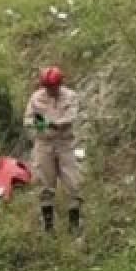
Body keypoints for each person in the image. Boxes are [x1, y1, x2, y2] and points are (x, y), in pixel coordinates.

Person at [24, 66, 82, 235]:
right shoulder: (36, 98)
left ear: (60, 83)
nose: (51, 90)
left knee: (74, 183)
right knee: (45, 184)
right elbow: (27, 119)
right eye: (47, 87)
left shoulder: (70, 96)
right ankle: (48, 227)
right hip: (44, 144)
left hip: (65, 144)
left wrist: (56, 123)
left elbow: (71, 116)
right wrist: (39, 123)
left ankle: (74, 225)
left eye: (54, 86)